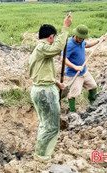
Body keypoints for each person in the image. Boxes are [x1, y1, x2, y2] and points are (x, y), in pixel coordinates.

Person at [29, 13, 72, 162]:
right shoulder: (43, 48)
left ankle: (41, 155)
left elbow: (42, 72)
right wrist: (65, 28)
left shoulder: (39, 50)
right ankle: (42, 159)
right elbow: (58, 47)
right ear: (51, 37)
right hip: (45, 92)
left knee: (46, 125)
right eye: (54, 38)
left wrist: (56, 83)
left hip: (41, 89)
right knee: (51, 127)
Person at [65, 24, 107, 112]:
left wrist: (98, 40)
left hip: (84, 72)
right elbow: (63, 58)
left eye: (83, 38)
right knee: (74, 94)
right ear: (76, 35)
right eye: (81, 38)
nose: (82, 40)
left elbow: (86, 44)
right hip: (74, 74)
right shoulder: (69, 45)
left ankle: (92, 106)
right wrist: (75, 67)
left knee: (93, 86)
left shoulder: (81, 41)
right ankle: (73, 113)